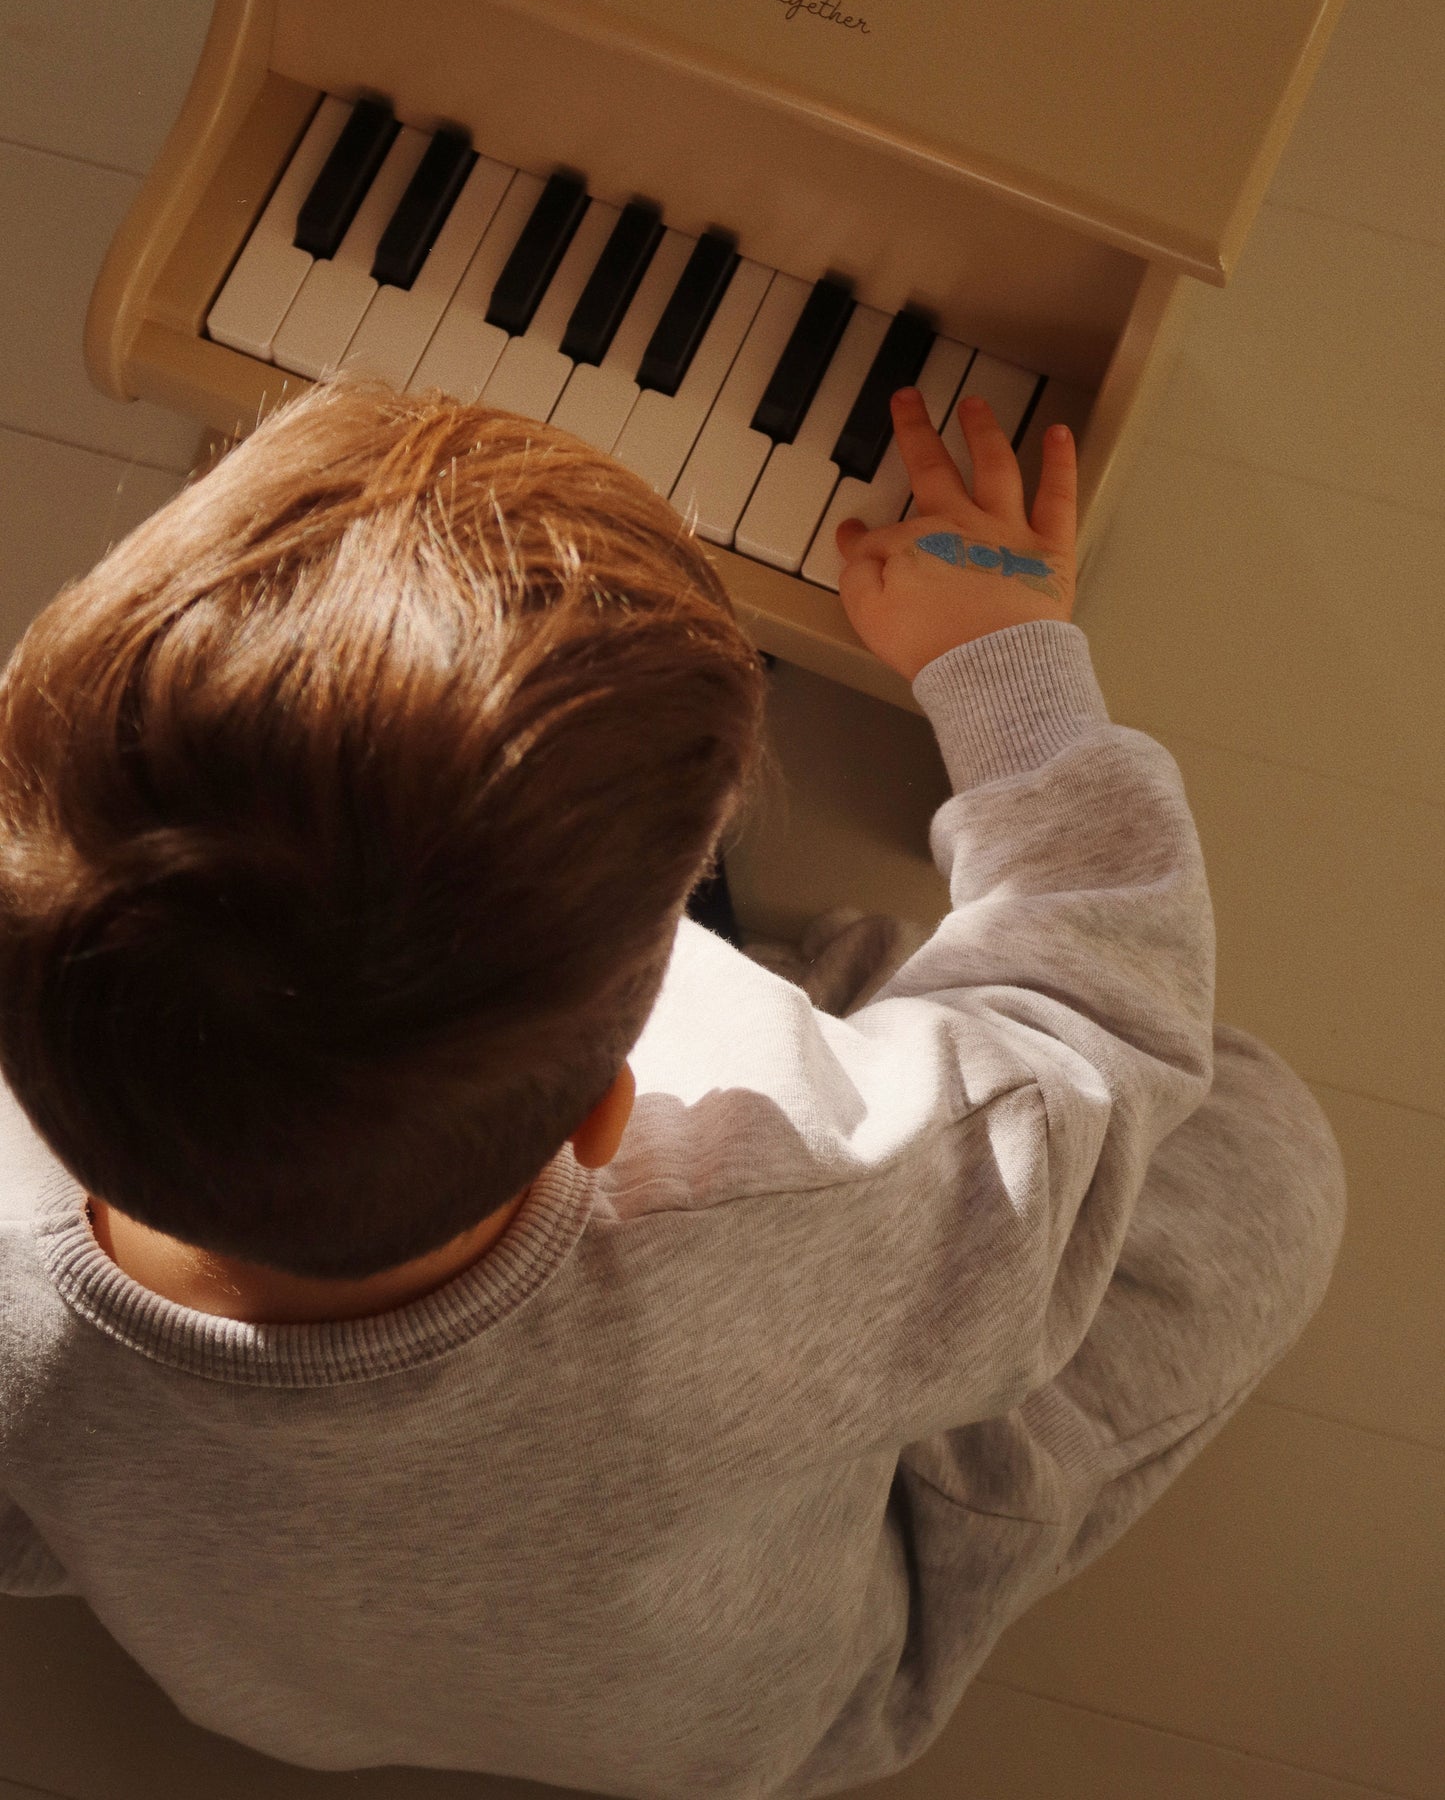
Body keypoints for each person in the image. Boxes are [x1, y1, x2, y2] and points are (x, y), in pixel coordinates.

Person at [0, 380, 1345, 1799]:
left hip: (287, 1695)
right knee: (1265, 1153)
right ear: (605, 1110)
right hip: (757, 1717)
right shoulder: (800, 1201)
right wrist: (1005, 666)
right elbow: (1099, 1013)